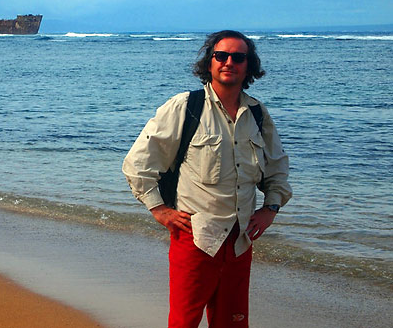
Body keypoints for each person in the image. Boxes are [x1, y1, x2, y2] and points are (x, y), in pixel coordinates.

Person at [122, 30, 292, 328]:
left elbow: (277, 169)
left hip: (240, 241)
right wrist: (159, 210)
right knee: (184, 323)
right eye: (221, 56)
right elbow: (138, 164)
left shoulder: (258, 114)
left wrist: (271, 209)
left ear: (248, 65)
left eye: (238, 57)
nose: (229, 62)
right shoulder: (185, 107)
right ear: (209, 62)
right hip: (195, 238)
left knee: (233, 323)